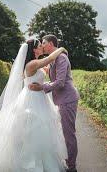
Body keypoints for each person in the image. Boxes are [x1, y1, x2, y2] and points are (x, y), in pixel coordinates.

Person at [0, 39, 68, 172]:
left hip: (39, 97)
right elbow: (49, 59)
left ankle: (41, 160)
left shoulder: (34, 64)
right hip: (32, 99)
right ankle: (28, 162)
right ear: (33, 50)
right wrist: (61, 50)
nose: (41, 48)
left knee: (39, 130)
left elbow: (46, 67)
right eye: (39, 46)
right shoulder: (32, 64)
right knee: (32, 130)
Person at [29, 35, 80, 172]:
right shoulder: (53, 59)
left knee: (69, 133)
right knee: (64, 131)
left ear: (50, 44)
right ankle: (69, 161)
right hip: (62, 100)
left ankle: (72, 167)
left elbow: (60, 82)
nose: (42, 45)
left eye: (44, 43)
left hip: (68, 100)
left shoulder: (61, 58)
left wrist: (41, 87)